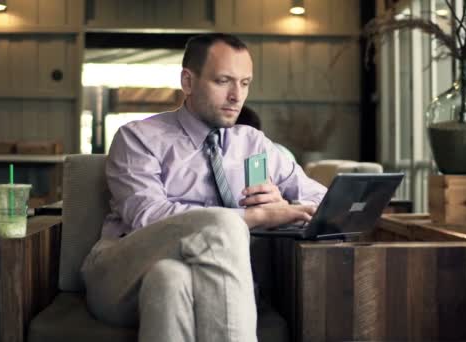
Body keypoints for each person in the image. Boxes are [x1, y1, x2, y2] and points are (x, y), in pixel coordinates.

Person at [81, 33, 327, 342]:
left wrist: (283, 201)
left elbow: (321, 199)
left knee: (169, 280)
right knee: (223, 224)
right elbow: (148, 217)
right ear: (188, 81)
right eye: (224, 81)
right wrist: (258, 217)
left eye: (245, 83)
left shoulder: (253, 143)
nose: (237, 96)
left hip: (189, 277)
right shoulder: (138, 138)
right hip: (121, 272)